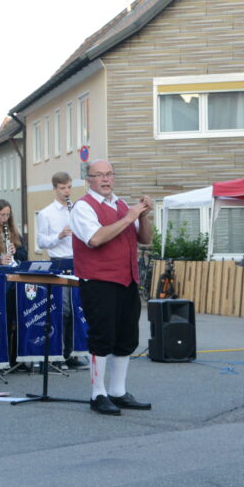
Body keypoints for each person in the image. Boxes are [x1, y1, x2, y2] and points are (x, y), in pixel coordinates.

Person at [71, 159, 153, 416]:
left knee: (126, 337)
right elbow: (95, 239)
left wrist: (144, 216)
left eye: (109, 175)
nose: (105, 180)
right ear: (89, 180)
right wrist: (130, 216)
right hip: (98, 280)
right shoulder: (83, 207)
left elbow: (146, 241)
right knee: (102, 336)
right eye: (99, 175)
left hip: (127, 278)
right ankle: (98, 393)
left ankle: (117, 390)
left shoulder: (120, 204)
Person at [35, 172, 82, 365]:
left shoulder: (77, 210)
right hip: (59, 262)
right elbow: (41, 242)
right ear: (55, 189)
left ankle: (73, 353)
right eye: (63, 188)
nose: (67, 191)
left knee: (77, 309)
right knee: (63, 310)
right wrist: (60, 235)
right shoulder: (46, 213)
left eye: (69, 187)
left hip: (78, 262)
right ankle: (60, 352)